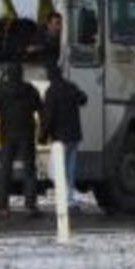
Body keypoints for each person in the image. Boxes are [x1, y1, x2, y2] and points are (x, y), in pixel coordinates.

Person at [0, 62, 43, 218]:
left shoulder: (1, 91)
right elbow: (42, 111)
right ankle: (30, 206)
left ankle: (3, 207)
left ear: (8, 74)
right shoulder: (30, 90)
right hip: (26, 135)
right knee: (29, 171)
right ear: (22, 74)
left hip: (7, 136)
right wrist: (44, 132)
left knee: (5, 171)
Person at [39, 64, 88, 212]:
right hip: (74, 135)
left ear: (51, 76)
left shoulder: (51, 91)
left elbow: (48, 116)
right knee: (70, 169)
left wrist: (42, 136)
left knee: (56, 170)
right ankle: (70, 199)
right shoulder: (71, 87)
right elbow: (83, 99)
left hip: (60, 138)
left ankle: (64, 198)